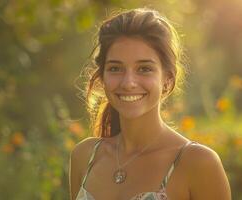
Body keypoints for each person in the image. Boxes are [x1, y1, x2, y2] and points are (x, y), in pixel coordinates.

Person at [69, 8, 231, 200]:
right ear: (103, 78)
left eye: (144, 69)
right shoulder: (85, 156)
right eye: (115, 68)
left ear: (167, 80)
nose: (128, 82)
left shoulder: (197, 163)